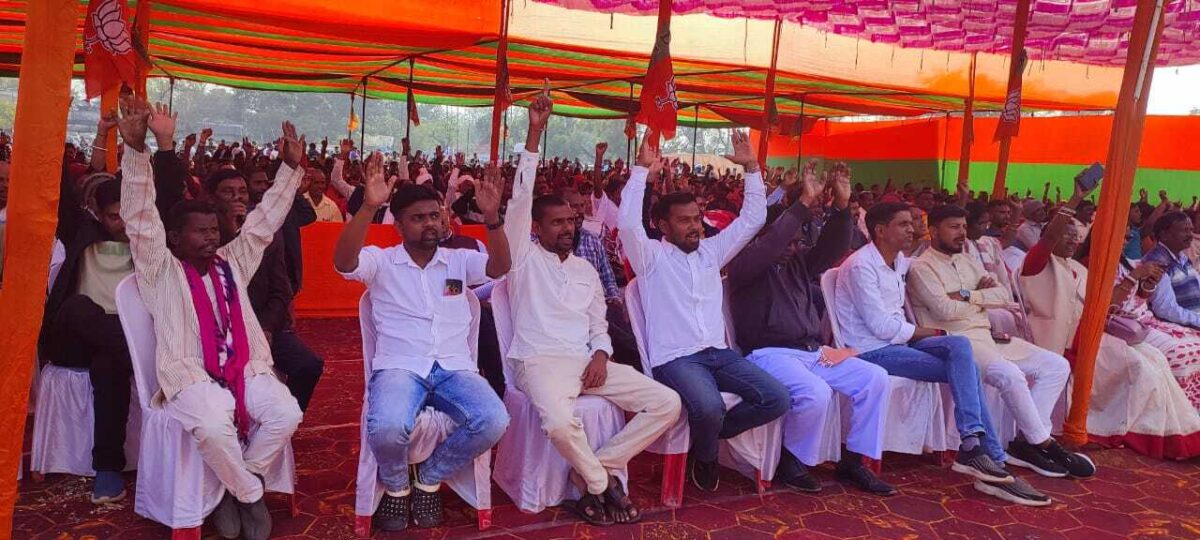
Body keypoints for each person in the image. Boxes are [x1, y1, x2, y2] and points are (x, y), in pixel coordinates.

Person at [119, 98, 304, 540]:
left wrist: (290, 169)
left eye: (214, 231)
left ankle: (237, 484)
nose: (211, 238)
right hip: (190, 376)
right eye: (200, 231)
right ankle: (249, 493)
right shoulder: (159, 269)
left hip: (245, 368)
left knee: (286, 413)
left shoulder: (231, 262)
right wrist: (136, 150)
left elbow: (263, 223)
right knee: (212, 424)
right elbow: (140, 218)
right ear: (174, 237)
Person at [501, 92, 680, 525]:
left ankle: (597, 465)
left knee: (668, 403)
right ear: (537, 228)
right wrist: (535, 132)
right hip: (539, 361)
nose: (568, 227)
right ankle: (601, 484)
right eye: (558, 222)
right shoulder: (523, 257)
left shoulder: (585, 269)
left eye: (571, 221)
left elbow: (599, 323)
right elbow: (520, 200)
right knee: (560, 424)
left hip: (587, 362)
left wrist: (601, 354)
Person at [334, 150, 511, 531]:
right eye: (418, 218)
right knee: (387, 427)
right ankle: (397, 486)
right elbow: (344, 264)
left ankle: (429, 477)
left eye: (434, 215)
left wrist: (493, 218)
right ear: (398, 226)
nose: (430, 223)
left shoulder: (458, 260)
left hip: (454, 368)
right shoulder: (381, 261)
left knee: (494, 419)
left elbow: (500, 267)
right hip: (399, 367)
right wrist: (368, 207)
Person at [833, 202, 1050, 506]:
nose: (912, 229)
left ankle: (975, 446)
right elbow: (881, 327)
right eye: (904, 224)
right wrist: (933, 333)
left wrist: (971, 288)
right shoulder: (861, 266)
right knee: (963, 362)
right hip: (871, 350)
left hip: (900, 344)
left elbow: (950, 280)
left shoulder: (899, 261)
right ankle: (988, 454)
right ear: (880, 231)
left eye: (912, 223)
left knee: (961, 348)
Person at [619, 132, 789, 492]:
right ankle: (707, 455)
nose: (694, 226)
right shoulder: (651, 258)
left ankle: (708, 435)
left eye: (696, 218)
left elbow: (753, 219)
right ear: (663, 227)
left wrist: (752, 168)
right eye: (684, 221)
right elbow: (629, 225)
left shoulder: (712, 251)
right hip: (676, 359)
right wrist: (640, 171)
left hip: (720, 354)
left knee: (777, 398)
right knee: (709, 407)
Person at [726, 161, 893, 495]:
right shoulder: (744, 265)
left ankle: (853, 461)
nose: (792, 248)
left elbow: (832, 248)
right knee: (815, 393)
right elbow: (773, 243)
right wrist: (802, 203)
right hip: (768, 355)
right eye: (786, 242)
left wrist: (842, 207)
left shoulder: (798, 263)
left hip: (813, 352)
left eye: (796, 242)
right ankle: (791, 459)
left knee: (874, 378)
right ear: (761, 238)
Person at [907, 204, 1090, 480]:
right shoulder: (922, 267)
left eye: (963, 227)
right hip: (958, 343)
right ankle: (1044, 444)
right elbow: (945, 310)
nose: (962, 233)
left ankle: (1026, 442)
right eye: (954, 227)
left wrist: (967, 294)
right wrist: (981, 299)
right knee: (1010, 375)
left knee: (1056, 365)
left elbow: (1003, 294)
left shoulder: (968, 260)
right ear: (933, 231)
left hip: (987, 336)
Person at [1021, 199, 1200, 460]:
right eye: (1066, 235)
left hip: (1091, 334)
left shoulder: (1078, 269)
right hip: (1057, 339)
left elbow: (1105, 309)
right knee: (1141, 367)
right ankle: (1142, 432)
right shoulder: (1038, 264)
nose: (1072, 240)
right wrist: (1075, 198)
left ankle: (1178, 432)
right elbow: (1048, 239)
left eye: (1075, 236)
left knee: (1157, 360)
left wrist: (1144, 286)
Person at [38, 172, 132, 504]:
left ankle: (107, 469)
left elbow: (166, 185)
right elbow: (60, 192)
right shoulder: (81, 231)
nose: (122, 223)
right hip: (75, 336)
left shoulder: (148, 240)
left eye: (128, 215)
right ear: (97, 213)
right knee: (79, 306)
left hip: (121, 337)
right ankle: (135, 357)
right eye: (114, 216)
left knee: (109, 365)